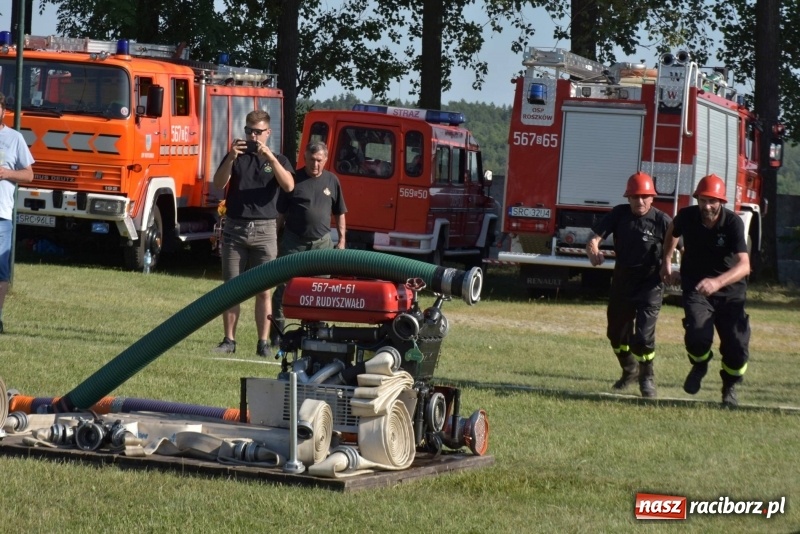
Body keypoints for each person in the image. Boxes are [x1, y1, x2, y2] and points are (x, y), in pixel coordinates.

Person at [661, 174, 750, 407]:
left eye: (712, 201)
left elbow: (745, 265)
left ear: (721, 201)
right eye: (702, 200)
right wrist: (667, 261)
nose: (707, 206)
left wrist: (717, 282)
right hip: (697, 288)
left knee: (736, 347)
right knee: (697, 337)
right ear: (697, 200)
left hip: (730, 293)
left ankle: (729, 386)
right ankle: (700, 365)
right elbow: (672, 229)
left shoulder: (732, 223)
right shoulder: (687, 216)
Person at [212, 110, 294, 357]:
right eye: (249, 131)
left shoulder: (277, 158)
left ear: (269, 133)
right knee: (231, 288)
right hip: (235, 227)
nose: (253, 136)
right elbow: (218, 183)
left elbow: (289, 185)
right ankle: (229, 340)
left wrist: (270, 158)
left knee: (264, 290)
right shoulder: (237, 156)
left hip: (265, 229)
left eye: (258, 132)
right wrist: (230, 158)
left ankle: (263, 342)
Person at [585, 172, 671, 398]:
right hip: (623, 282)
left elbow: (681, 244)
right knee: (615, 335)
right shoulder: (618, 214)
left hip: (650, 285)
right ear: (628, 198)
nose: (639, 201)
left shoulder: (662, 220)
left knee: (643, 337)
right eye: (634, 197)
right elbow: (594, 238)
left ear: (652, 198)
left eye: (644, 197)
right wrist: (593, 250)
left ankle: (647, 377)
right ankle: (629, 370)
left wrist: (674, 266)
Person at [270, 141, 347, 345]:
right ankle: (277, 332)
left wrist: (341, 241)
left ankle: (316, 333)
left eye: (319, 161)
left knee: (319, 290)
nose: (315, 165)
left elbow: (340, 213)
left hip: (322, 244)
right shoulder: (294, 179)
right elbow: (280, 214)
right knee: (283, 288)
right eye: (312, 160)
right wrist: (274, 239)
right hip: (294, 242)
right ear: (304, 158)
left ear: (326, 159)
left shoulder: (332, 181)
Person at [0, 92, 35, 334]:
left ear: (3, 110)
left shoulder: (14, 139)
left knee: (1, 269)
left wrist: (5, 173)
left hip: (1, 215)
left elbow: (29, 175)